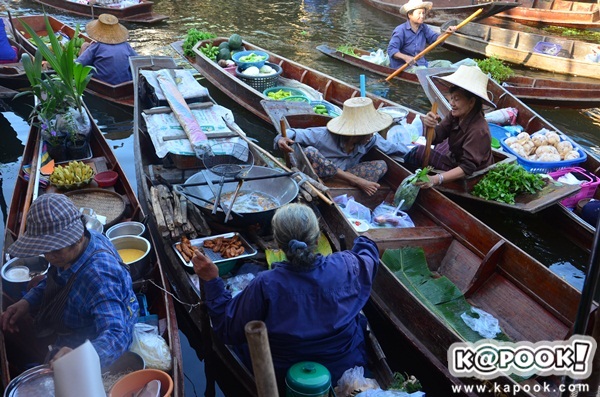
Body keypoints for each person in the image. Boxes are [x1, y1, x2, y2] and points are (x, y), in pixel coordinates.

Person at [192, 203, 379, 392]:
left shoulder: (266, 284)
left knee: (242, 337)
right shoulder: (347, 265)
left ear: (277, 242)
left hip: (282, 375)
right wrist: (365, 241)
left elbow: (227, 329)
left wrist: (213, 280)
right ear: (317, 238)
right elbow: (369, 256)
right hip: (345, 365)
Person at [0, 193, 139, 369]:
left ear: (78, 237)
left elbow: (118, 336)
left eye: (55, 250)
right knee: (36, 283)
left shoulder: (100, 277)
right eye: (45, 250)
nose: (49, 257)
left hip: (89, 336)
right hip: (78, 310)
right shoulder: (77, 247)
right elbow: (55, 278)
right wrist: (26, 302)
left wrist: (82, 356)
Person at [274, 97, 409, 196]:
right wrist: (282, 139)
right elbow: (293, 133)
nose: (371, 135)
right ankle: (354, 182)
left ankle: (347, 187)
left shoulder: (370, 140)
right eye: (368, 132)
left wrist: (415, 153)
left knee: (381, 165)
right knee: (310, 151)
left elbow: (392, 148)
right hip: (319, 174)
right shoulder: (324, 135)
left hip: (343, 176)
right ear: (356, 134)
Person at [404, 65, 496, 188]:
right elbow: (436, 137)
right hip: (454, 157)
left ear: (471, 102)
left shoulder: (479, 130)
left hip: (469, 172)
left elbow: (467, 167)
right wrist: (429, 126)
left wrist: (436, 179)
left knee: (418, 152)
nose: (451, 103)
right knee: (442, 144)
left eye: (457, 99)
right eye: (451, 98)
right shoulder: (455, 115)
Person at [387, 0, 456, 71]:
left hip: (422, 64)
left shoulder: (424, 28)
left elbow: (436, 39)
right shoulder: (400, 30)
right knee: (422, 70)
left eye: (423, 13)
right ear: (410, 15)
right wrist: (406, 58)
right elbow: (391, 50)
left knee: (446, 64)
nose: (422, 16)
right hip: (404, 67)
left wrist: (447, 33)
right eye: (419, 13)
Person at [76, 14, 137, 85]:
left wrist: (83, 50)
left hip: (103, 83)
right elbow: (137, 61)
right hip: (125, 82)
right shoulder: (126, 45)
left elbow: (79, 64)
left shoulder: (97, 46)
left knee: (85, 45)